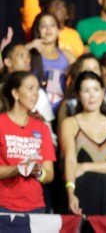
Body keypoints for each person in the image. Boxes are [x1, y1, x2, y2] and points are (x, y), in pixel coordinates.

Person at [59, 71, 106, 216]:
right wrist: (70, 193)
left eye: (96, 90)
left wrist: (84, 166)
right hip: (80, 192)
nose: (92, 96)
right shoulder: (70, 123)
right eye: (86, 90)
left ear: (103, 92)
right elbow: (70, 160)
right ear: (78, 94)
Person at [0, 71, 56, 213]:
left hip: (35, 206)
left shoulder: (41, 127)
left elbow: (49, 174)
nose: (36, 93)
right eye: (30, 88)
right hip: (4, 205)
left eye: (37, 89)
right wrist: (19, 169)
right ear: (15, 93)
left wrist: (38, 172)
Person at [20, 0, 84, 57]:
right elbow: (30, 1)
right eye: (53, 4)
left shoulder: (73, 35)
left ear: (67, 15)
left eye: (62, 5)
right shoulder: (36, 25)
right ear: (46, 10)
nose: (58, 6)